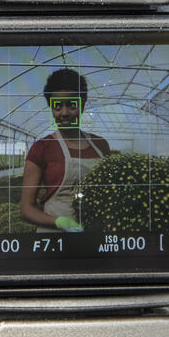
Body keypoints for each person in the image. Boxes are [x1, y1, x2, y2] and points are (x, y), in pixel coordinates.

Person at [18, 69, 113, 232]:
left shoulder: (100, 145)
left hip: (93, 236)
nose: (64, 113)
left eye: (71, 105)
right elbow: (26, 209)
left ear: (83, 104)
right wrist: (59, 222)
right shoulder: (42, 148)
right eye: (57, 106)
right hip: (53, 238)